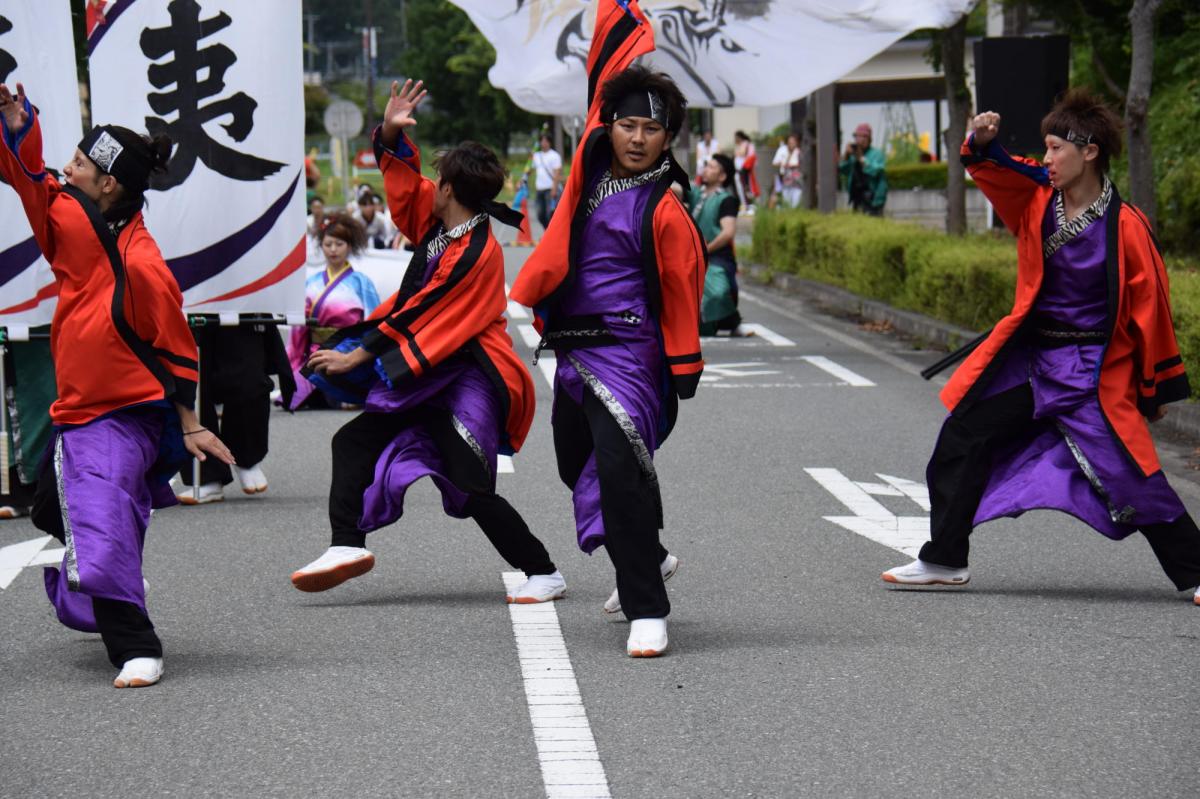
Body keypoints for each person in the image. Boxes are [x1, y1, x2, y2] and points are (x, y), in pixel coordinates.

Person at [882, 90, 1200, 608]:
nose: (1047, 160)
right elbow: (998, 167)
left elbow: (1152, 312)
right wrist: (982, 142)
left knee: (1130, 474)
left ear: (1090, 151)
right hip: (1032, 364)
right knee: (963, 436)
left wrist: (1153, 388)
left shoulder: (1127, 226)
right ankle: (943, 559)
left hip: (1093, 373)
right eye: (1045, 149)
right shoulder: (1037, 197)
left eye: (1056, 149)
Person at [289, 79, 565, 606]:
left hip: (469, 376)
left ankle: (543, 570)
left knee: (469, 485)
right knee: (353, 442)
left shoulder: (474, 249)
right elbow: (404, 188)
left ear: (450, 192)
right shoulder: (445, 226)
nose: (429, 186)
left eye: (437, 179)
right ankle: (346, 543)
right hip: (433, 371)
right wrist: (391, 132)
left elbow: (422, 310)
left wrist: (356, 355)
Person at [0, 81, 234, 688]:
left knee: (97, 523)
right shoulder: (70, 223)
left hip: (122, 412)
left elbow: (179, 349)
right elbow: (30, 180)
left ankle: (139, 649)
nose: (68, 168)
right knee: (57, 509)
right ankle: (117, 566)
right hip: (74, 409)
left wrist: (191, 424)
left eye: (80, 163)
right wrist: (19, 121)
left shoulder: (145, 264)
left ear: (109, 184)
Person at [510, 0, 706, 658]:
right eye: (626, 124)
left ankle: (647, 604)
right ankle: (644, 550)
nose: (635, 137)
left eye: (650, 129)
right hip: (574, 355)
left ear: (667, 138)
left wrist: (684, 364)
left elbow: (682, 288)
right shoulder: (587, 175)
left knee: (620, 473)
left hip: (634, 359)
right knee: (577, 464)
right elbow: (605, 80)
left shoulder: (665, 206)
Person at [175, 320, 295, 504]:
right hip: (188, 301)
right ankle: (206, 476)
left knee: (250, 379)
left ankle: (247, 458)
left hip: (241, 303)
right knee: (192, 381)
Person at [286, 212, 381, 410]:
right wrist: (294, 363)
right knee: (297, 395)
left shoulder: (361, 283)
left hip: (347, 353)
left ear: (349, 246)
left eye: (339, 244)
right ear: (321, 246)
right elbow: (299, 330)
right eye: (328, 244)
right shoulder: (311, 283)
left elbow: (375, 325)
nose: (333, 250)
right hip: (315, 354)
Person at [690, 153, 745, 335]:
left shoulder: (726, 199)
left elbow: (728, 232)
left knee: (718, 292)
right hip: (691, 255)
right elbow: (675, 189)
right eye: (707, 165)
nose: (706, 169)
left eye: (712, 167)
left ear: (722, 176)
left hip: (717, 257)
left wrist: (706, 249)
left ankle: (732, 322)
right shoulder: (696, 193)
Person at [839, 122, 887, 215]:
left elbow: (876, 171)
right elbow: (843, 170)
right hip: (857, 198)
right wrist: (846, 155)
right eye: (857, 137)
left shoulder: (877, 154)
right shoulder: (853, 155)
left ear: (869, 139)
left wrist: (861, 159)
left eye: (864, 137)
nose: (860, 140)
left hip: (873, 198)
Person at [530, 133, 562, 233]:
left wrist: (554, 188)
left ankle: (551, 234)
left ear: (549, 142)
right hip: (539, 189)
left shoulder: (554, 155)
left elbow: (557, 174)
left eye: (546, 141)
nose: (543, 143)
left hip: (549, 189)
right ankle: (548, 232)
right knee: (540, 214)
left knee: (550, 214)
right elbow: (531, 169)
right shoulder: (536, 155)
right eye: (542, 141)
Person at [733, 129, 759, 211]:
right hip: (738, 171)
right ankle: (744, 205)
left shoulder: (747, 144)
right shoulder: (738, 146)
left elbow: (744, 154)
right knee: (740, 189)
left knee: (747, 188)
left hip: (745, 171)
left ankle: (750, 205)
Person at [777, 132, 803, 209]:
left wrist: (789, 164)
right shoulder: (785, 153)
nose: (791, 144)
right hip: (786, 182)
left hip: (797, 183)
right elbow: (780, 163)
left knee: (795, 205)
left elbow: (799, 164)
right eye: (789, 143)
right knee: (787, 205)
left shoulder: (799, 152)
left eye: (793, 142)